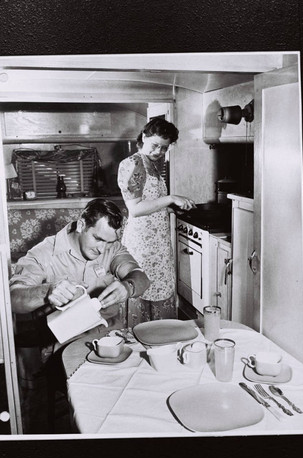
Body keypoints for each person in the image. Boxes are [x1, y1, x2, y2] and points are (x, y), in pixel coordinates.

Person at [9, 198, 150, 432]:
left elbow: (139, 275)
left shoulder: (110, 247)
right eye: (98, 239)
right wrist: (47, 291)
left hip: (112, 339)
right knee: (96, 408)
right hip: (66, 349)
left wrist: (128, 287)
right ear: (82, 225)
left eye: (109, 242)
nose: (102, 249)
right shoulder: (44, 253)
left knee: (143, 389)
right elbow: (14, 298)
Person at [117, 117, 195, 325]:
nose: (158, 152)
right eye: (154, 145)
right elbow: (135, 209)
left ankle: (160, 342)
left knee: (159, 290)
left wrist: (171, 208)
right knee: (144, 290)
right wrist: (170, 198)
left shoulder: (151, 165)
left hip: (157, 244)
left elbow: (150, 202)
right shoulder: (132, 164)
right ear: (144, 137)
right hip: (143, 245)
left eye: (164, 148)